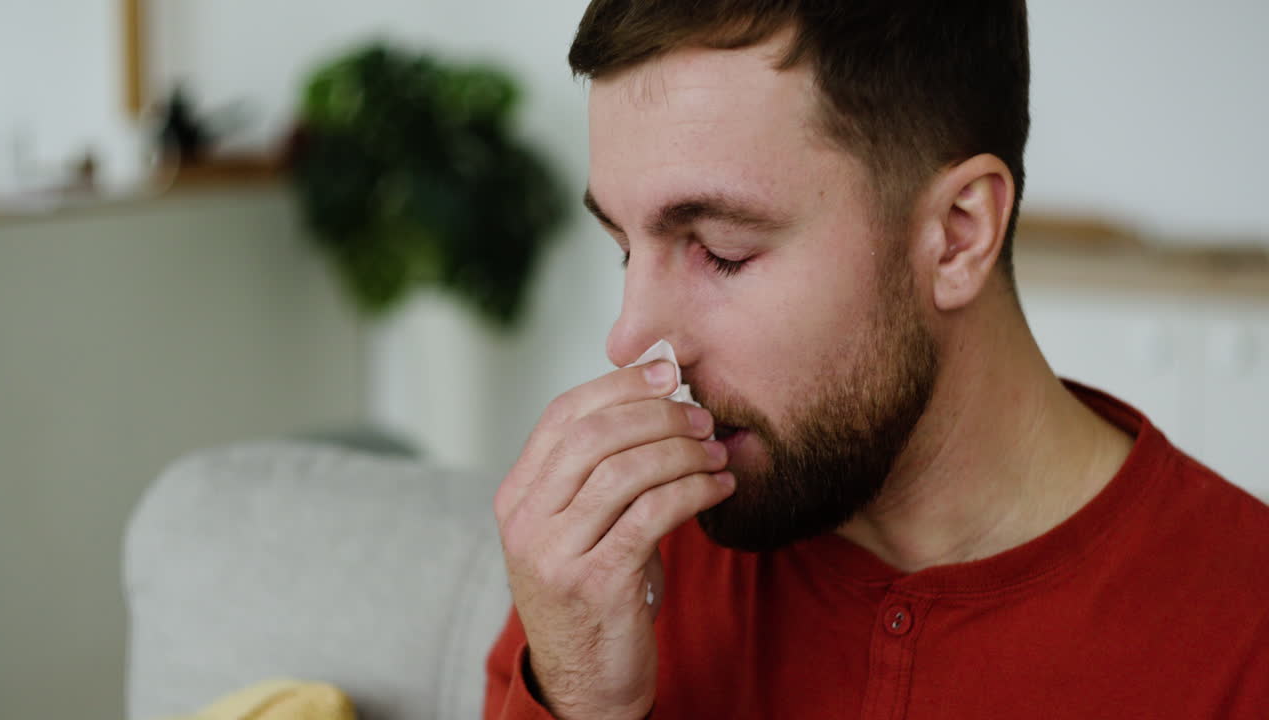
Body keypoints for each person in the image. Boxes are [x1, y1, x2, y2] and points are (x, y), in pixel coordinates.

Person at [485, 2, 1269, 718]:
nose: (630, 340)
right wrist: (578, 698)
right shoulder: (605, 577)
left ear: (958, 234)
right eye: (625, 248)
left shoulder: (1243, 641)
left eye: (722, 253)